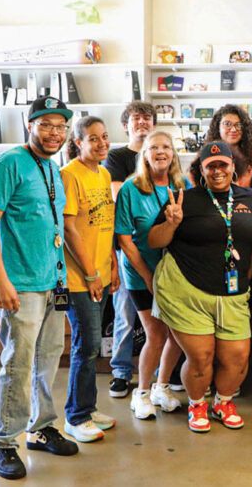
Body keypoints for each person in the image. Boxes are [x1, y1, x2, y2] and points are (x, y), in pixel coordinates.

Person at [149, 141, 252, 433]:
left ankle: (223, 402)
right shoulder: (184, 199)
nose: (217, 171)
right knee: (201, 357)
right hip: (187, 291)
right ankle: (197, 404)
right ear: (201, 170)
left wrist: (248, 265)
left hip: (233, 292)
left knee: (237, 359)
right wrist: (171, 223)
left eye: (222, 164)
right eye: (210, 166)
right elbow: (154, 241)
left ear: (233, 166)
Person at [0, 96, 79, 480]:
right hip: (22, 285)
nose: (54, 133)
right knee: (19, 365)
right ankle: (4, 441)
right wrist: (1, 281)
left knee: (48, 360)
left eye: (60, 127)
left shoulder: (52, 168)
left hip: (53, 282)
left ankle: (41, 427)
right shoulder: (10, 163)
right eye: (45, 124)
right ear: (30, 126)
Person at [115, 131, 189, 419]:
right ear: (144, 155)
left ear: (173, 154)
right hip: (140, 273)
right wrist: (147, 276)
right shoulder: (131, 189)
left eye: (166, 147)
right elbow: (124, 240)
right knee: (156, 334)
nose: (161, 152)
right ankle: (142, 392)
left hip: (175, 274)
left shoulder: (183, 186)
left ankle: (162, 386)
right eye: (154, 147)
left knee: (177, 335)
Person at [60, 116, 119, 443]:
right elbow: (69, 229)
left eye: (104, 136)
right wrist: (92, 273)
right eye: (93, 138)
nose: (101, 143)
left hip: (101, 273)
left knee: (92, 347)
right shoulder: (70, 175)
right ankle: (76, 416)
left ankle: (88, 407)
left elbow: (104, 224)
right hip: (79, 279)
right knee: (87, 345)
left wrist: (111, 264)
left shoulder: (104, 173)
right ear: (78, 142)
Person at [104, 100, 157, 398]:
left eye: (147, 118)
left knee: (160, 316)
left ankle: (161, 373)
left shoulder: (158, 154)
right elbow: (119, 195)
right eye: (136, 118)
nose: (142, 122)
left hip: (157, 247)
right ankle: (121, 372)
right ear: (126, 125)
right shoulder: (117, 156)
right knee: (125, 312)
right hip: (126, 246)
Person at [190, 104, 252, 187]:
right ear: (217, 127)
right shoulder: (204, 158)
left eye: (238, 125)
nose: (233, 129)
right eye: (227, 124)